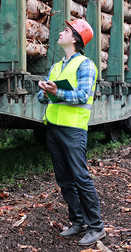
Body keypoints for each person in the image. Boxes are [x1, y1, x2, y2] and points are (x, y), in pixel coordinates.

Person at [37, 19, 105, 246]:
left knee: (80, 177)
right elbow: (41, 97)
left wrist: (58, 91)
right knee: (64, 179)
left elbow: (83, 95)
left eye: (65, 30)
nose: (60, 32)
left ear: (75, 38)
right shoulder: (57, 67)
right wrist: (45, 90)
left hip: (74, 130)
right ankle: (77, 222)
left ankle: (96, 227)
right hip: (54, 128)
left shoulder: (85, 65)